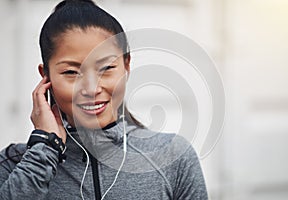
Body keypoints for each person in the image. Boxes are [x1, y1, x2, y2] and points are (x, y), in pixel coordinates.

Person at [0, 0, 208, 199]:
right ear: (46, 76)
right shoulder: (14, 165)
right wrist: (45, 148)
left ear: (126, 65)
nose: (91, 88)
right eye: (71, 72)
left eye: (107, 68)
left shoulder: (173, 157)